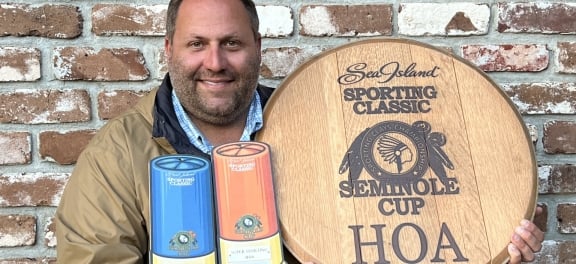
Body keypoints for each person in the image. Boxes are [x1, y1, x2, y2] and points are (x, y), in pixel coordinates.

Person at [55, 0, 545, 263]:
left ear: (258, 46)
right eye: (196, 44)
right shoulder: (119, 152)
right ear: (167, 49)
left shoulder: (321, 127)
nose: (215, 62)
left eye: (231, 43)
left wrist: (492, 252)